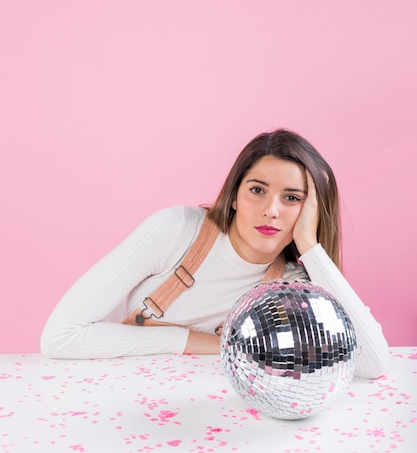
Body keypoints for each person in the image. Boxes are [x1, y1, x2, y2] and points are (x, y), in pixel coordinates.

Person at [41, 129, 390, 379]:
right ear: (235, 195)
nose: (271, 210)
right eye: (257, 190)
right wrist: (200, 342)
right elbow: (61, 336)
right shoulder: (177, 231)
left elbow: (371, 364)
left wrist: (310, 246)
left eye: (292, 198)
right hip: (118, 397)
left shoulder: (292, 285)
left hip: (214, 416)